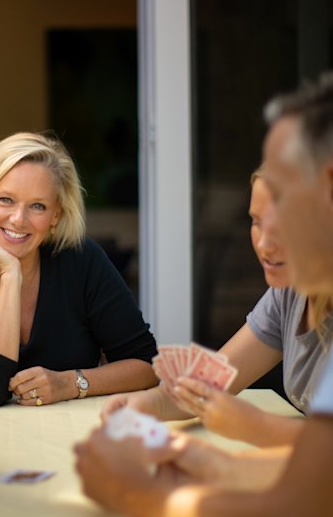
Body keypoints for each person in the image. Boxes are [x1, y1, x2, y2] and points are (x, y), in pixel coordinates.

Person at [75, 71, 333, 517]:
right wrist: (209, 461)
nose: (264, 238)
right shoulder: (291, 294)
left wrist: (131, 493)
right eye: (254, 218)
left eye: (280, 195)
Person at [101, 167, 333, 447]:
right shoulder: (289, 294)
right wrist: (151, 403)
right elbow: (211, 382)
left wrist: (254, 426)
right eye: (256, 221)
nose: (264, 244)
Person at [0, 132, 158, 407]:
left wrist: (70, 384)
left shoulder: (82, 261)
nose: (19, 219)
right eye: (6, 200)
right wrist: (11, 275)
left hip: (76, 435)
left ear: (55, 216)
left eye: (38, 206)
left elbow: (147, 366)